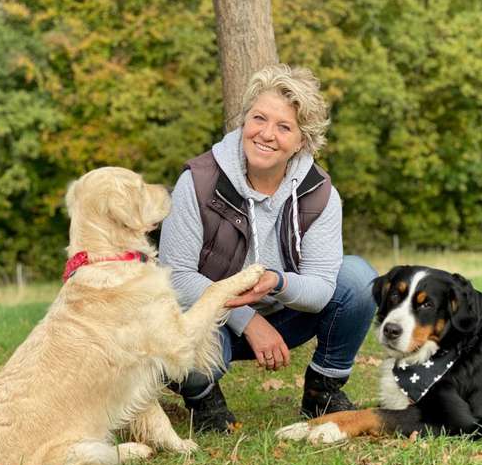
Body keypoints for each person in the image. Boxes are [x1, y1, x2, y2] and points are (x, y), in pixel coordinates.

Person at [158, 64, 377, 432]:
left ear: (302, 141)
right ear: (244, 121)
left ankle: (323, 389)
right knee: (181, 348)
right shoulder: (196, 182)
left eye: (284, 127)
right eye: (259, 118)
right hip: (214, 321)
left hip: (287, 314)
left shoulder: (320, 193)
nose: (267, 134)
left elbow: (322, 289)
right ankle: (203, 398)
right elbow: (175, 279)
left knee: (357, 279)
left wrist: (277, 282)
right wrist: (248, 320)